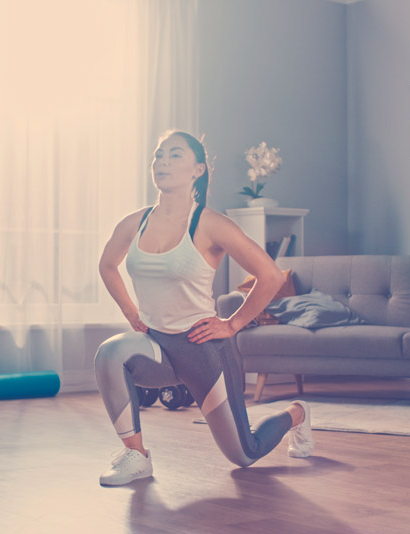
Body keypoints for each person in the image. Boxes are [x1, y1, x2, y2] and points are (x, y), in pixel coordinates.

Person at [95, 130, 313, 486]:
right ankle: (136, 455)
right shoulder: (135, 223)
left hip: (204, 351)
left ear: (197, 170)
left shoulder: (210, 224)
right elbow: (107, 265)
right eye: (158, 155)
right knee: (109, 353)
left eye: (174, 155)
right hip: (156, 348)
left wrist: (232, 324)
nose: (162, 161)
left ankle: (297, 414)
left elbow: (270, 276)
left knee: (244, 454)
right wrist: (131, 313)